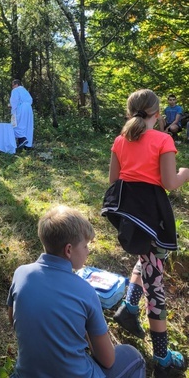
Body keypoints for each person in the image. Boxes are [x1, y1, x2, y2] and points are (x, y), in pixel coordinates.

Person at [103, 89, 189, 377]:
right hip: (153, 217)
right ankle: (162, 358)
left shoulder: (120, 140)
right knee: (156, 285)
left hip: (129, 215)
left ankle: (128, 308)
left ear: (130, 112)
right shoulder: (164, 139)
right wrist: (185, 172)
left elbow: (114, 181)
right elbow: (169, 182)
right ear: (157, 112)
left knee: (147, 257)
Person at [7, 205, 146, 378]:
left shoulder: (20, 273)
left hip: (25, 374)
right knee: (133, 356)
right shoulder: (86, 291)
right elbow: (107, 360)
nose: (88, 251)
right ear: (68, 250)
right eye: (86, 246)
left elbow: (13, 319)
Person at [10, 79, 34, 149]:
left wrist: (12, 109)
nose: (12, 87)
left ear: (16, 84)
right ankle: (28, 145)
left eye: (13, 85)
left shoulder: (15, 90)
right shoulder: (25, 90)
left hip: (21, 108)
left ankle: (22, 139)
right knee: (27, 125)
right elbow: (30, 100)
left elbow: (14, 101)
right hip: (29, 108)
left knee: (17, 124)